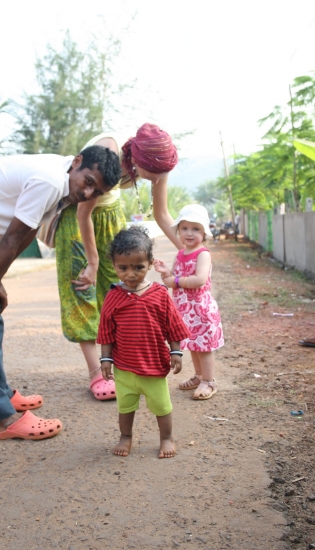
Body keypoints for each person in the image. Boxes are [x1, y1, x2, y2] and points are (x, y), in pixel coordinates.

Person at [0, 146, 121, 440]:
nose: (89, 194)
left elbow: (26, 233)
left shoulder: (64, 187)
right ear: (77, 162)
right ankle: (0, 418)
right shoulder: (49, 181)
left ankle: (0, 394)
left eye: (98, 191)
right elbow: (12, 237)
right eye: (89, 182)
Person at [55, 124, 180, 401]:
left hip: (110, 216)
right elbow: (83, 214)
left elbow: (162, 214)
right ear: (136, 160)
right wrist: (93, 261)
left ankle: (124, 365)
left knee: (120, 291)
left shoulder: (159, 159)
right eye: (153, 175)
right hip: (77, 218)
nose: (157, 179)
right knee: (82, 290)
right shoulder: (109, 152)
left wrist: (191, 254)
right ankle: (95, 373)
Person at [97, 226, 188, 458]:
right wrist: (105, 359)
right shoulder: (113, 296)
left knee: (161, 406)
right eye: (123, 268)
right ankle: (125, 436)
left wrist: (176, 352)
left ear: (149, 264)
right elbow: (106, 330)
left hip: (154, 365)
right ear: (114, 266)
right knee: (125, 406)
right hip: (124, 367)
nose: (131, 274)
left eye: (138, 267)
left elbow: (173, 325)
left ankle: (166, 438)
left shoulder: (159, 294)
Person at [154, 204, 224, 400]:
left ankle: (209, 381)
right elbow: (176, 275)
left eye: (196, 229)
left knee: (204, 347)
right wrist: (167, 272)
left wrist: (174, 281)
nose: (189, 233)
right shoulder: (180, 253)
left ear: (204, 232)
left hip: (200, 309)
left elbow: (199, 279)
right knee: (193, 345)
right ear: (178, 230)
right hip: (186, 310)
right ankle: (199, 376)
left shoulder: (203, 254)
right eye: (184, 228)